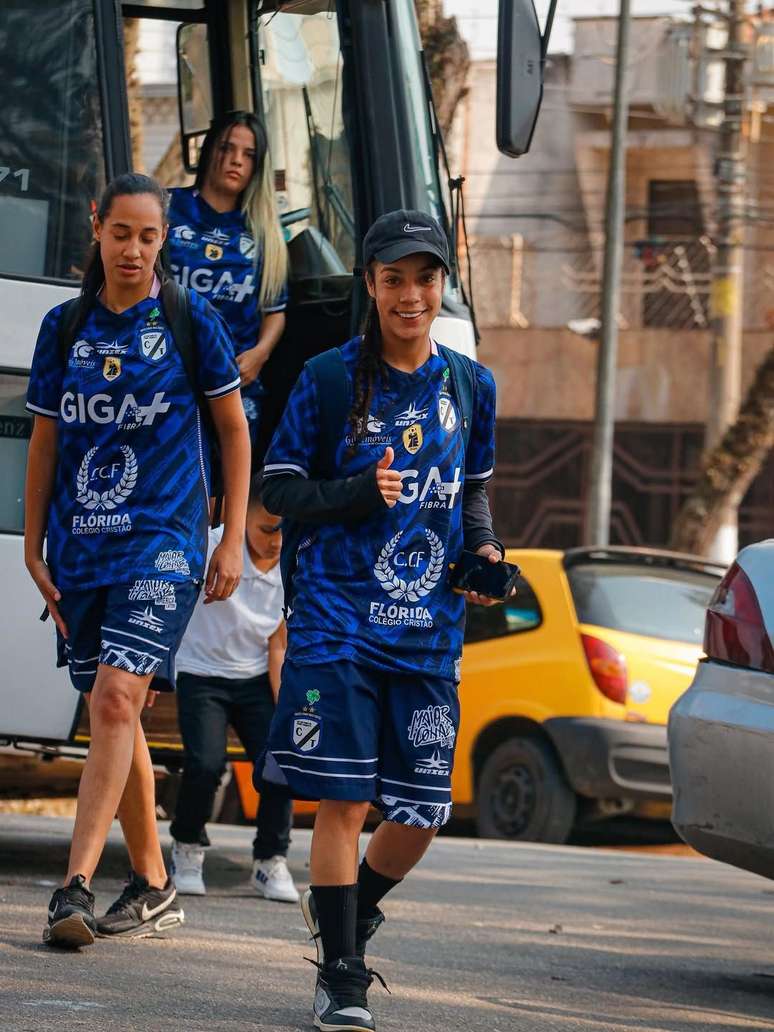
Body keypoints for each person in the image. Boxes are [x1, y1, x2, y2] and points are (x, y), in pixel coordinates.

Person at [258, 209, 505, 1032]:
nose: (410, 294)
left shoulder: (472, 385)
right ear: (369, 284)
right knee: (343, 801)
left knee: (423, 810)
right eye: (394, 278)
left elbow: (471, 494)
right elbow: (280, 491)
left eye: (425, 278)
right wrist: (358, 495)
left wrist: (484, 555)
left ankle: (348, 914)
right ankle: (341, 975)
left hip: (428, 633)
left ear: (441, 285)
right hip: (338, 623)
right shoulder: (329, 380)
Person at [24, 172, 251, 948]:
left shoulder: (191, 321)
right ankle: (154, 882)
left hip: (166, 542)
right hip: (83, 549)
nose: (133, 249)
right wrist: (32, 545)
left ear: (163, 240)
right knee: (110, 710)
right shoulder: (63, 327)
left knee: (118, 698)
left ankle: (73, 886)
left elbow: (233, 432)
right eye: (121, 232)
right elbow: (46, 441)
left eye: (149, 236)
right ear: (97, 227)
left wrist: (231, 537)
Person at [169, 473, 298, 903]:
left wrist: (286, 710)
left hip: (253, 677)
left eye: (284, 530)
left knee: (279, 765)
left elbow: (277, 644)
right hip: (201, 673)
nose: (276, 541)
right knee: (207, 765)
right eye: (266, 529)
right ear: (242, 518)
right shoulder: (217, 544)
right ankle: (187, 848)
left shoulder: (290, 563)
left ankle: (270, 860)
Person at [166, 110, 289, 458]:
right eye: (227, 148)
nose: (236, 160)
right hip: (168, 376)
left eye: (248, 155)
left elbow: (275, 311)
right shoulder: (167, 208)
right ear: (208, 151)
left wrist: (259, 355)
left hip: (236, 385)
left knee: (225, 493)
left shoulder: (263, 231)